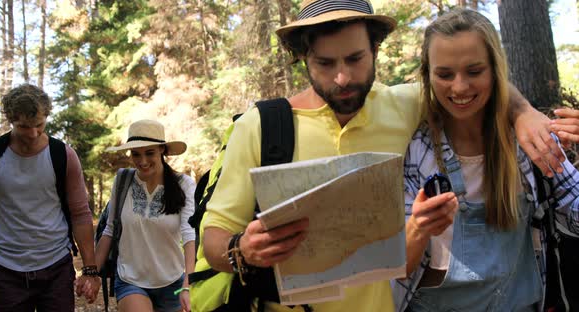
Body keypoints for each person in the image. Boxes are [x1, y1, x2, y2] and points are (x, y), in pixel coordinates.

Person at [197, 1, 577, 311]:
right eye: (325, 63)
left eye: (355, 58)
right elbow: (213, 238)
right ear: (302, 57)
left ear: (376, 49)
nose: (342, 78)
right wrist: (242, 250)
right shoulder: (261, 127)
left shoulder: (407, 105)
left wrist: (525, 113)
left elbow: (472, 83)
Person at [395, 9, 579, 311]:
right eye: (444, 74)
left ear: (495, 69)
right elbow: (397, 267)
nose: (459, 87)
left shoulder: (529, 141)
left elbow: (574, 215)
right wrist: (419, 226)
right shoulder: (418, 151)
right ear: (427, 74)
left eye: (474, 71)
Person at [0, 84, 100, 311]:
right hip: (6, 270)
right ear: (11, 120)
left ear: (47, 116)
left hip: (55, 268)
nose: (33, 134)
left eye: (39, 125)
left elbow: (80, 214)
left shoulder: (62, 155)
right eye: (23, 127)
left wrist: (90, 270)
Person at [95, 119, 196, 312]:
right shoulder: (122, 181)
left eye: (149, 153)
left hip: (172, 281)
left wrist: (187, 282)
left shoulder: (184, 184)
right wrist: (91, 273)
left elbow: (189, 234)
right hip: (130, 280)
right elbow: (110, 229)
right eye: (136, 154)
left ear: (162, 151)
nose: (142, 161)